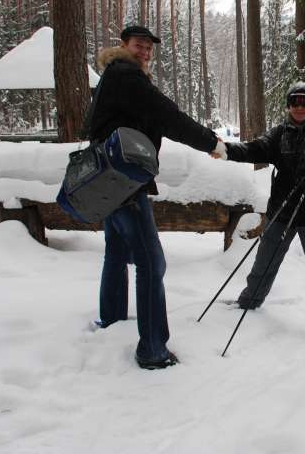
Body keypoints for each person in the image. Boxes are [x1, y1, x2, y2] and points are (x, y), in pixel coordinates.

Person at [89, 25, 227, 370]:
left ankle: (112, 319)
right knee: (152, 263)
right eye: (139, 45)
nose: (145, 52)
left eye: (149, 48)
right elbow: (167, 116)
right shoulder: (126, 75)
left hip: (108, 179)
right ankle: (152, 349)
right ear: (124, 45)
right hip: (124, 183)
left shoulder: (113, 75)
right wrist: (211, 142)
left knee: (117, 251)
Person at [212, 82, 305, 340]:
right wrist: (226, 150)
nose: (299, 107)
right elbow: (254, 148)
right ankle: (250, 301)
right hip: (282, 211)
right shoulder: (279, 134)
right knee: (266, 259)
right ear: (288, 105)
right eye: (295, 102)